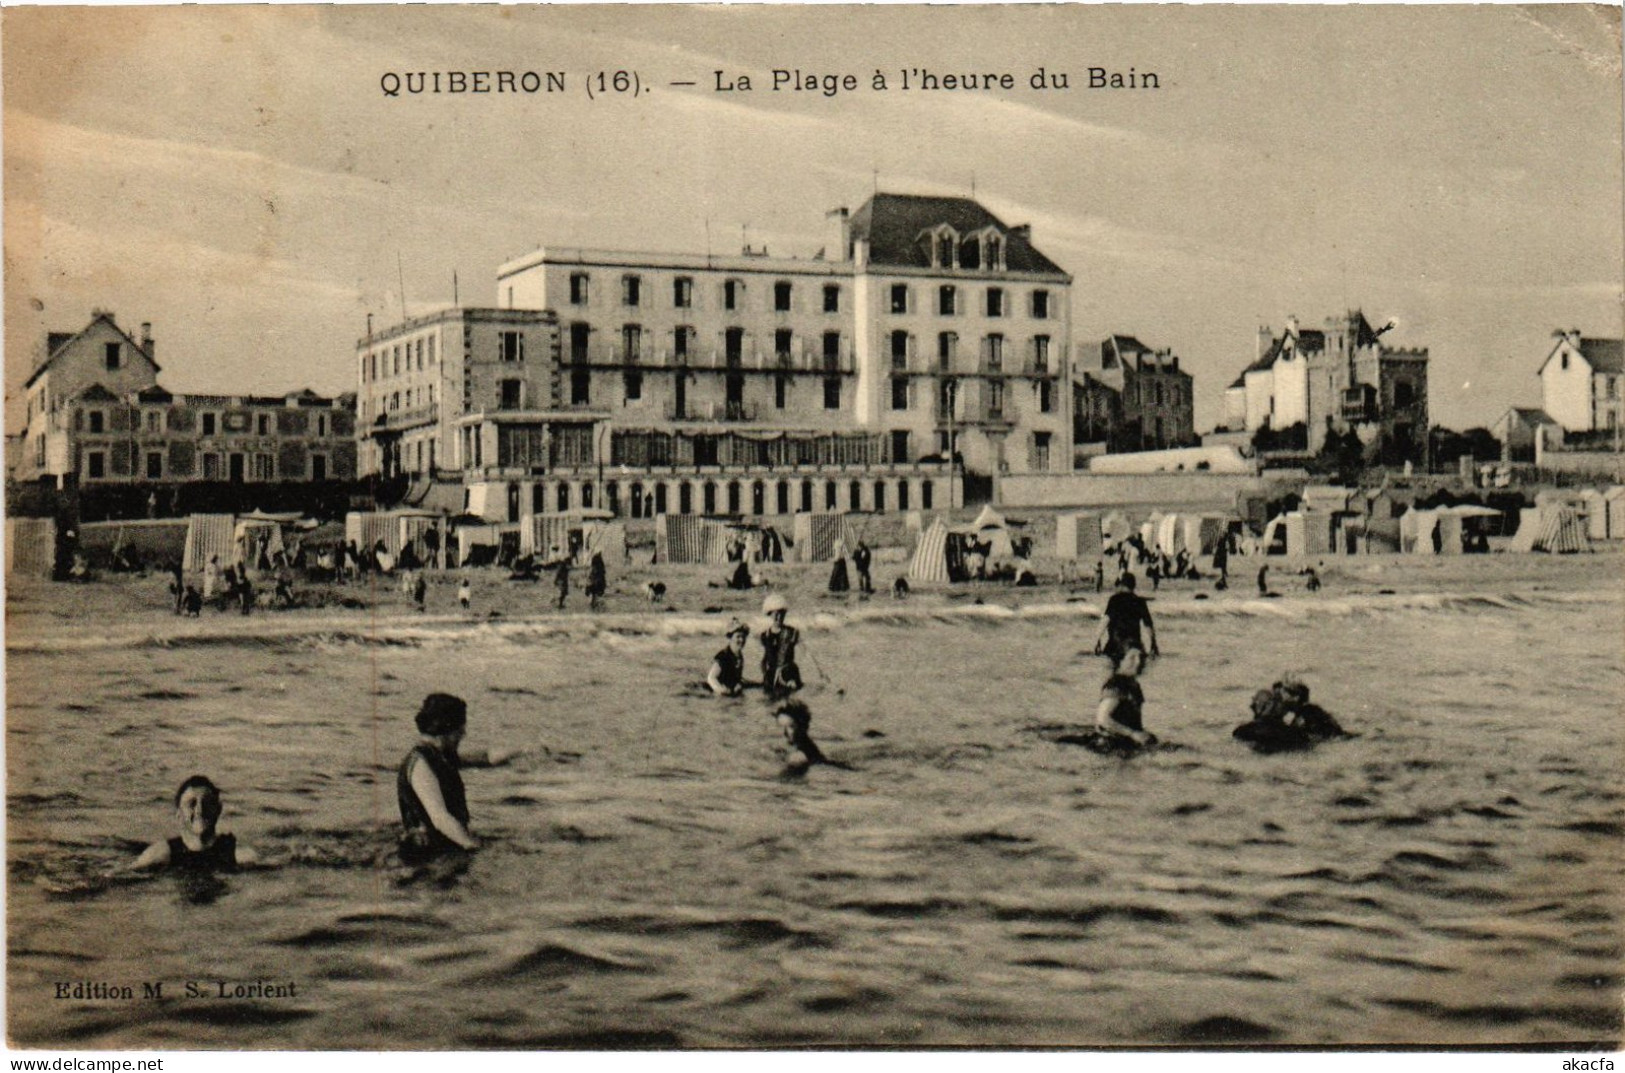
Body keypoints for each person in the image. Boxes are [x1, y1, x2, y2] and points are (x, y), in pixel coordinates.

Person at [398, 693, 479, 861]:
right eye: (460, 730)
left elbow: (485, 757)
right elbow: (439, 817)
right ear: (446, 730)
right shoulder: (420, 763)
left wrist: (524, 751)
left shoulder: (441, 756)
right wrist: (471, 845)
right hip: (423, 853)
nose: (463, 734)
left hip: (443, 843)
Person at [130, 775, 255, 872]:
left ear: (218, 809)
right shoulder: (163, 852)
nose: (199, 810)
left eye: (207, 803)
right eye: (191, 804)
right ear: (179, 813)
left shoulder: (237, 853)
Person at [1094, 647, 1157, 748]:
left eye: (1141, 658)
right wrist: (1133, 734)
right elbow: (1103, 720)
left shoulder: (1134, 685)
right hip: (1109, 745)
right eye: (1132, 658)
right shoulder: (1116, 685)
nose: (1138, 662)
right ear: (1120, 661)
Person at [1094, 572, 1158, 664]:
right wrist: (1153, 644)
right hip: (1134, 644)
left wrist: (1098, 640)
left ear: (1121, 585)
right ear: (1134, 586)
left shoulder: (1114, 600)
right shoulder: (1139, 602)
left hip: (1114, 645)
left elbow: (1105, 620)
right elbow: (1148, 625)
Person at [759, 593, 804, 699]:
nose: (778, 617)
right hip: (771, 675)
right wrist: (764, 674)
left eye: (781, 614)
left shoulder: (791, 632)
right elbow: (766, 657)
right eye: (775, 614)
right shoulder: (765, 635)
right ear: (770, 614)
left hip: (788, 673)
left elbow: (805, 651)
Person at [774, 699, 828, 772]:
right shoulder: (799, 746)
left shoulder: (801, 755)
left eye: (791, 727)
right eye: (781, 727)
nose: (784, 733)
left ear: (803, 727)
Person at [708, 619, 751, 697]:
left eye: (743, 637)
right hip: (719, 694)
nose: (741, 640)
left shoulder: (739, 655)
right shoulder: (723, 656)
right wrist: (722, 690)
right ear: (731, 638)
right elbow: (711, 678)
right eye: (738, 637)